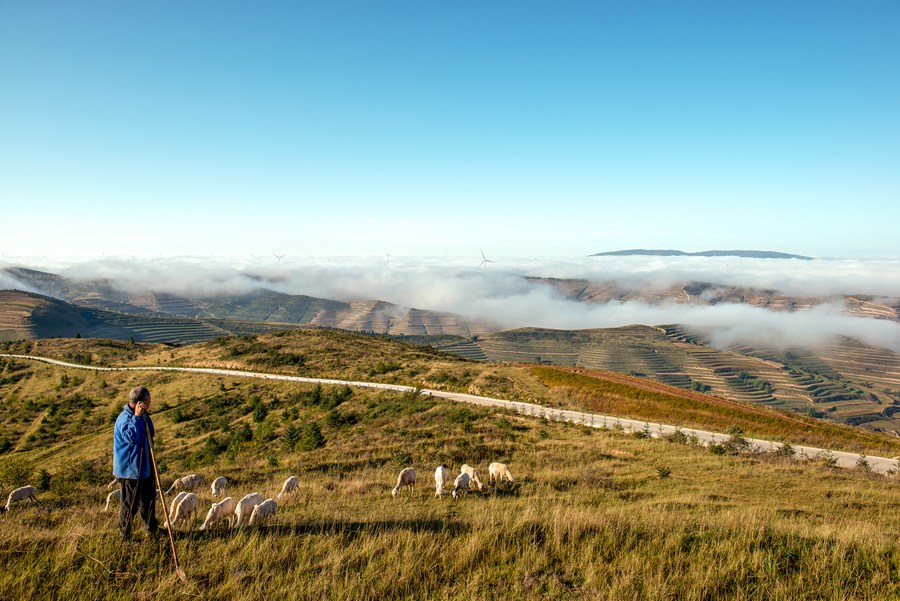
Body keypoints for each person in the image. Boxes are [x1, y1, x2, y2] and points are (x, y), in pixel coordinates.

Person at [113, 386, 159, 540]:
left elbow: (150, 433)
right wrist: (138, 417)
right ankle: (125, 537)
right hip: (131, 470)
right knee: (130, 505)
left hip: (145, 467)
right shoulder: (124, 419)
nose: (150, 403)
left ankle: (151, 529)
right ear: (140, 402)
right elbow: (133, 438)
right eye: (148, 400)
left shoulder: (143, 415)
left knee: (149, 500)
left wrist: (142, 416)